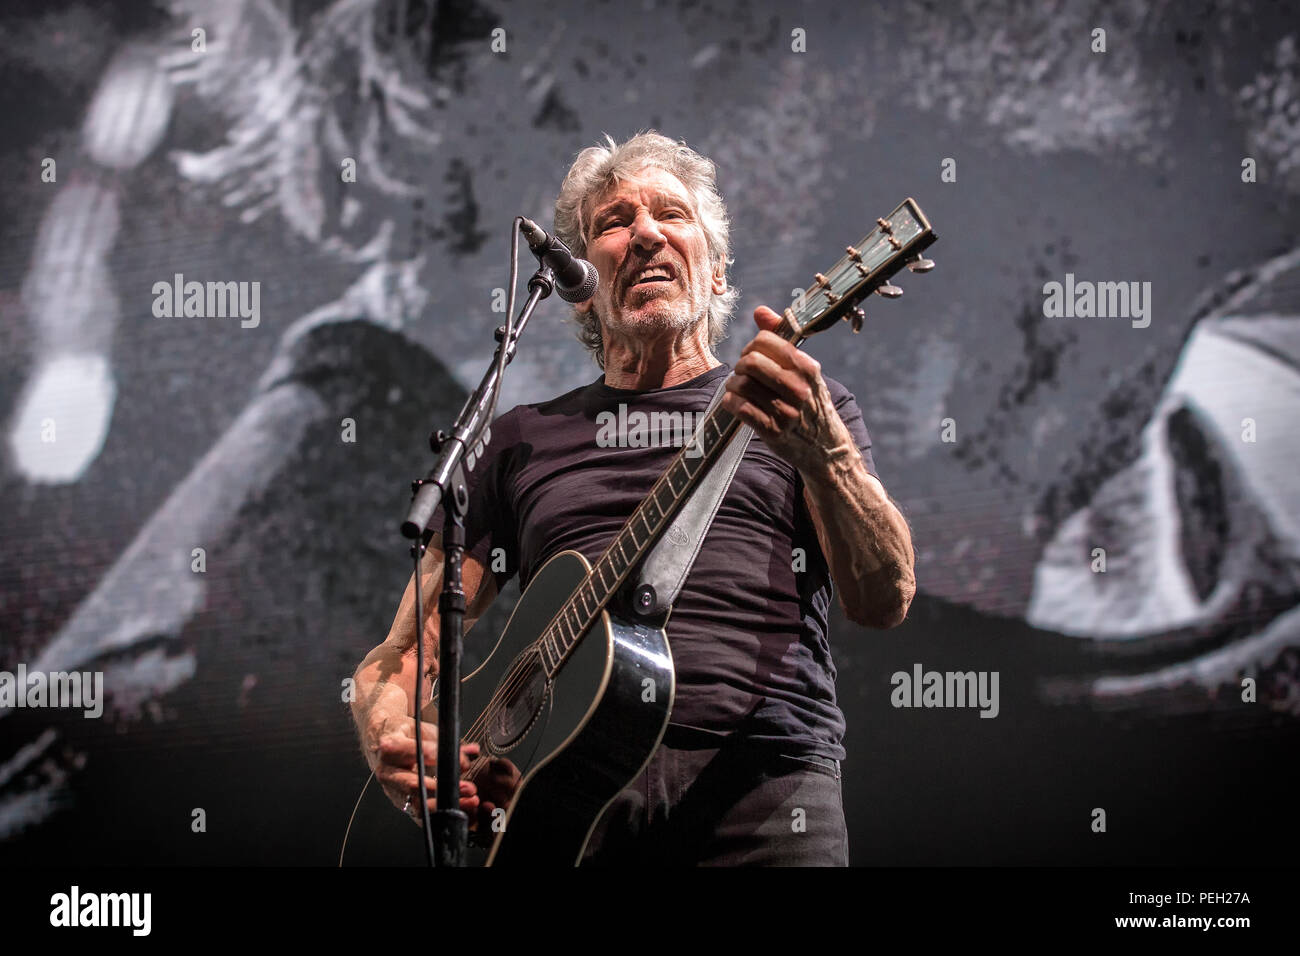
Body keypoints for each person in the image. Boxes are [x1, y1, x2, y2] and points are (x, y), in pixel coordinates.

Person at [349, 130, 916, 866]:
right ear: (584, 292)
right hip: (552, 810)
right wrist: (391, 732)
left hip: (761, 792)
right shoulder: (521, 439)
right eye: (614, 223)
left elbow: (885, 599)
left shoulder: (800, 406)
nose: (644, 233)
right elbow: (405, 649)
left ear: (715, 275)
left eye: (670, 216)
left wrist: (827, 452)